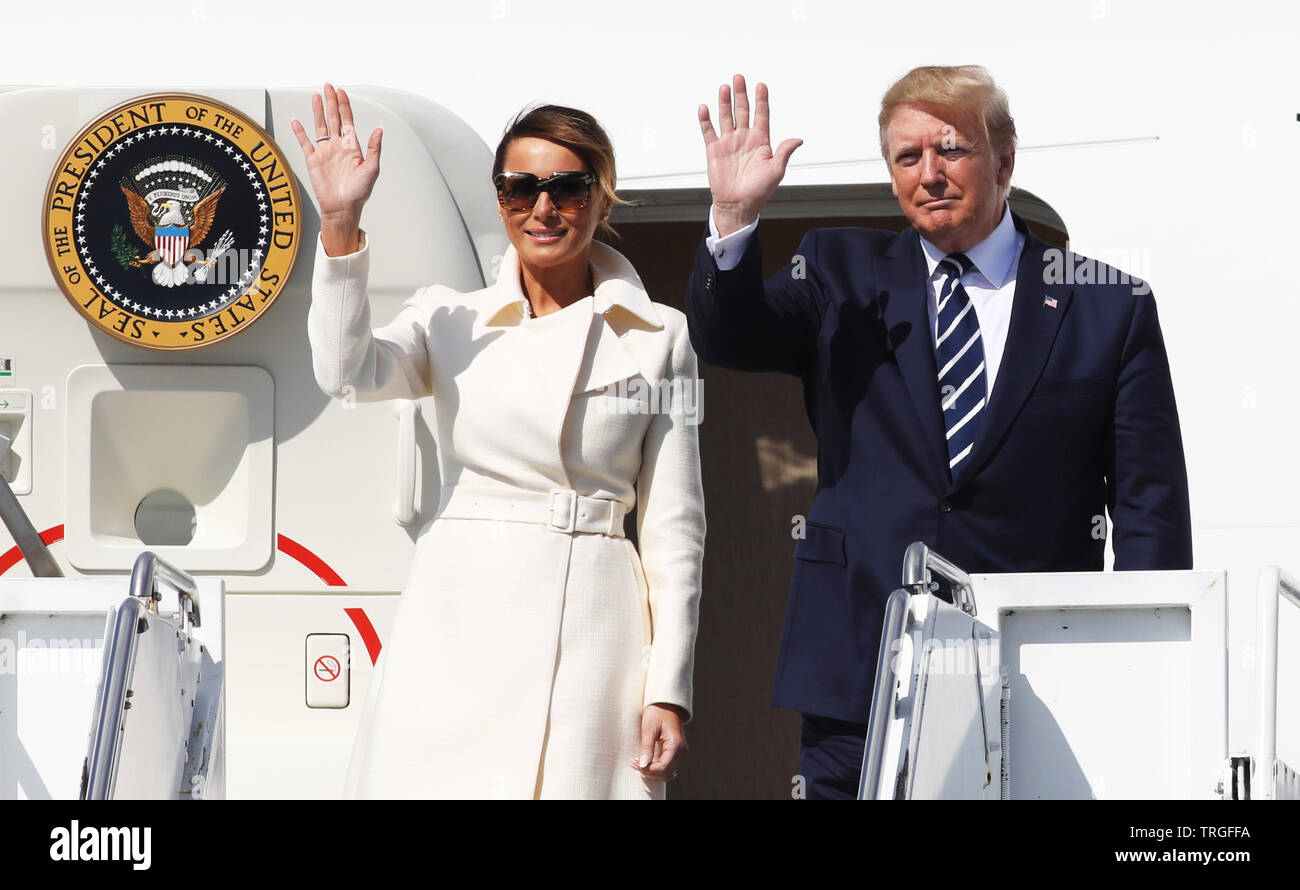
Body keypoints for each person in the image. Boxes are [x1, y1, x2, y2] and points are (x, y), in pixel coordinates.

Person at [685, 66, 1192, 799]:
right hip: (856, 665)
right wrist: (732, 222)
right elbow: (731, 337)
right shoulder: (838, 271)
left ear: (1005, 161)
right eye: (907, 157)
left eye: (950, 150)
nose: (929, 174)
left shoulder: (1107, 305)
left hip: (1035, 672)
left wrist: (1142, 664)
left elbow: (1150, 506)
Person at [291, 85, 704, 799]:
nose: (543, 208)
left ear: (602, 200)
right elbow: (345, 373)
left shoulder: (662, 335)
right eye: (520, 189)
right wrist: (339, 226)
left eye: (567, 188)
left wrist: (668, 687)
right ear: (501, 200)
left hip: (594, 623)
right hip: (457, 617)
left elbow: (673, 527)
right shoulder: (447, 315)